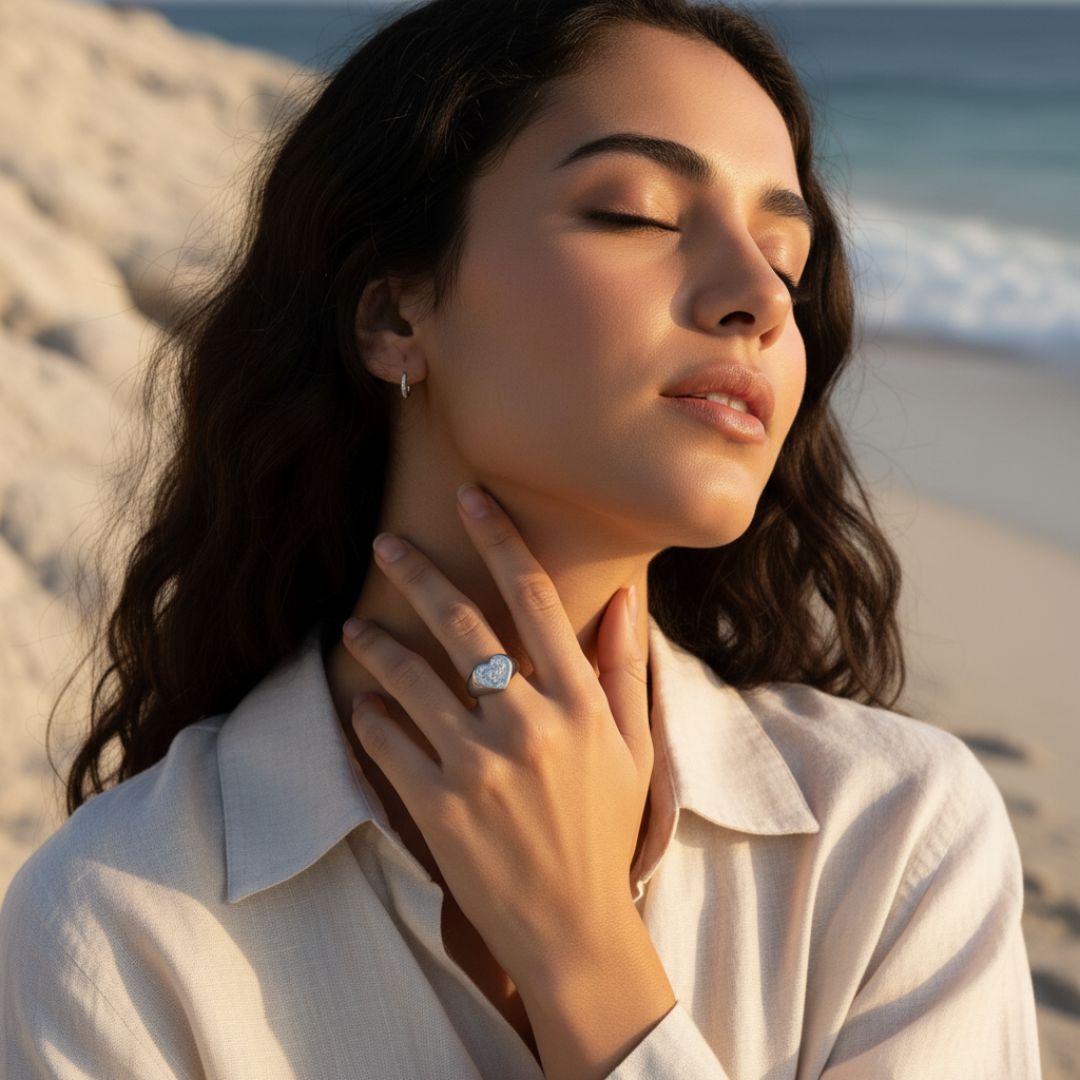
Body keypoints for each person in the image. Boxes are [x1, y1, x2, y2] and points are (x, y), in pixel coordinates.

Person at [0, 1, 1042, 1077]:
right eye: (636, 213)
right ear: (397, 315)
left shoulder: (893, 836)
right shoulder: (121, 919)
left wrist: (586, 955)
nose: (760, 302)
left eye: (786, 254)